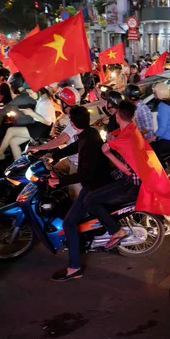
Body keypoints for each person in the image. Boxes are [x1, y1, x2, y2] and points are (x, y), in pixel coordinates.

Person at [48, 106, 113, 281]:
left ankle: (75, 267)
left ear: (72, 123)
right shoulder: (89, 134)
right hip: (95, 183)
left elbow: (85, 174)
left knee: (69, 223)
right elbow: (74, 147)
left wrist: (58, 181)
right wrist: (53, 155)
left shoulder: (89, 141)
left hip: (93, 186)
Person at [84, 100, 142, 250]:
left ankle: (116, 231)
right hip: (128, 180)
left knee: (91, 200)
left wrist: (108, 153)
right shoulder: (130, 130)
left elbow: (128, 170)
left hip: (130, 184)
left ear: (118, 116)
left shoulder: (127, 137)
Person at [0, 87, 56, 161]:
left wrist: (32, 113)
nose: (30, 95)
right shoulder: (40, 101)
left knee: (11, 130)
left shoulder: (45, 102)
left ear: (38, 92)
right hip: (38, 127)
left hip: (41, 129)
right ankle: (19, 165)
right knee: (14, 142)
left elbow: (48, 122)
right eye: (28, 93)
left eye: (31, 93)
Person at [149, 82, 170, 157]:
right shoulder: (165, 105)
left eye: (155, 93)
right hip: (169, 138)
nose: (154, 95)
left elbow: (163, 127)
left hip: (168, 140)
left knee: (153, 157)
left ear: (159, 94)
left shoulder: (163, 107)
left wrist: (153, 137)